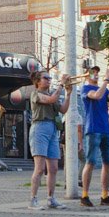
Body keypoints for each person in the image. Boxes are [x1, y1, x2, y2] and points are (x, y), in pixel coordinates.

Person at [79, 66, 109, 207]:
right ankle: (84, 195)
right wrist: (106, 80)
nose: (96, 75)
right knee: (90, 162)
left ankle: (105, 195)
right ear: (86, 76)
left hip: (105, 130)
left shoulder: (105, 89)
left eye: (97, 72)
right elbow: (96, 95)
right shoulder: (85, 89)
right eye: (93, 73)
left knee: (108, 163)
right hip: (93, 129)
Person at [27, 71, 69, 209]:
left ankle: (51, 198)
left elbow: (63, 110)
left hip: (52, 128)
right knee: (39, 168)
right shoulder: (35, 94)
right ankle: (33, 200)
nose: (49, 80)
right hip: (39, 127)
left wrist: (69, 94)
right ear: (38, 81)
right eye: (46, 78)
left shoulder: (52, 94)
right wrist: (62, 84)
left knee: (53, 168)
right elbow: (50, 101)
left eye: (50, 78)